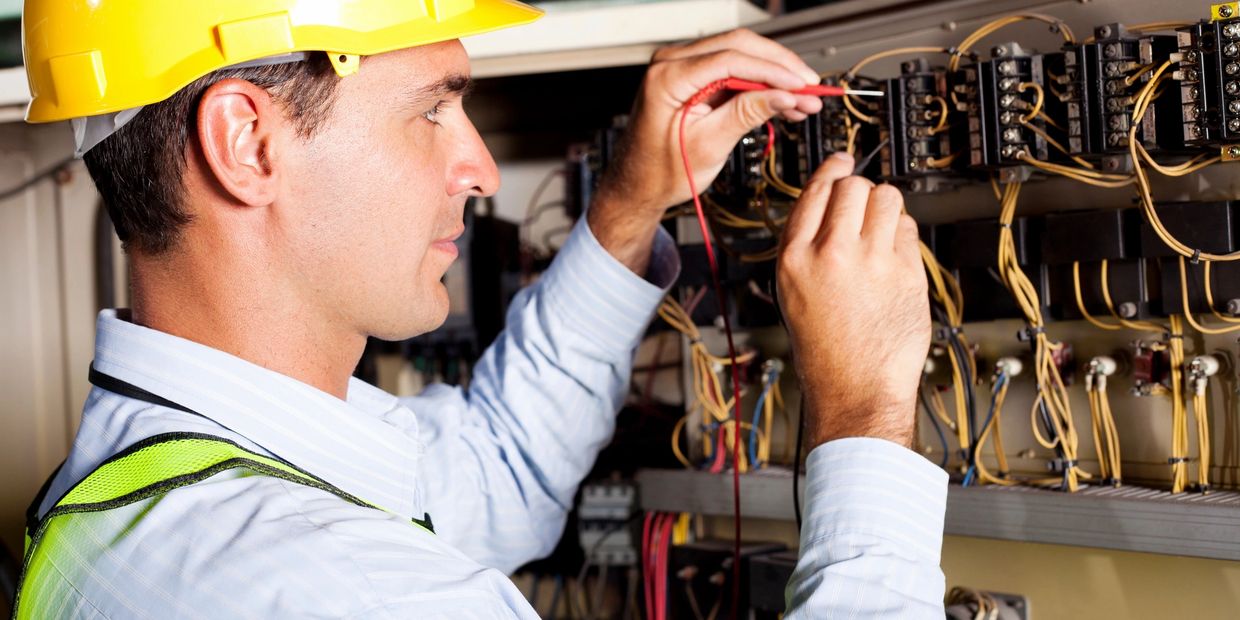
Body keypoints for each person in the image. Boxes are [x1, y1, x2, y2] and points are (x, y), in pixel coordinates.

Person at [16, 0, 944, 617]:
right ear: (247, 144)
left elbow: (498, 471)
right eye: (430, 112)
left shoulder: (152, 483)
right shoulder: (336, 587)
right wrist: (862, 412)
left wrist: (624, 208)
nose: (481, 170)